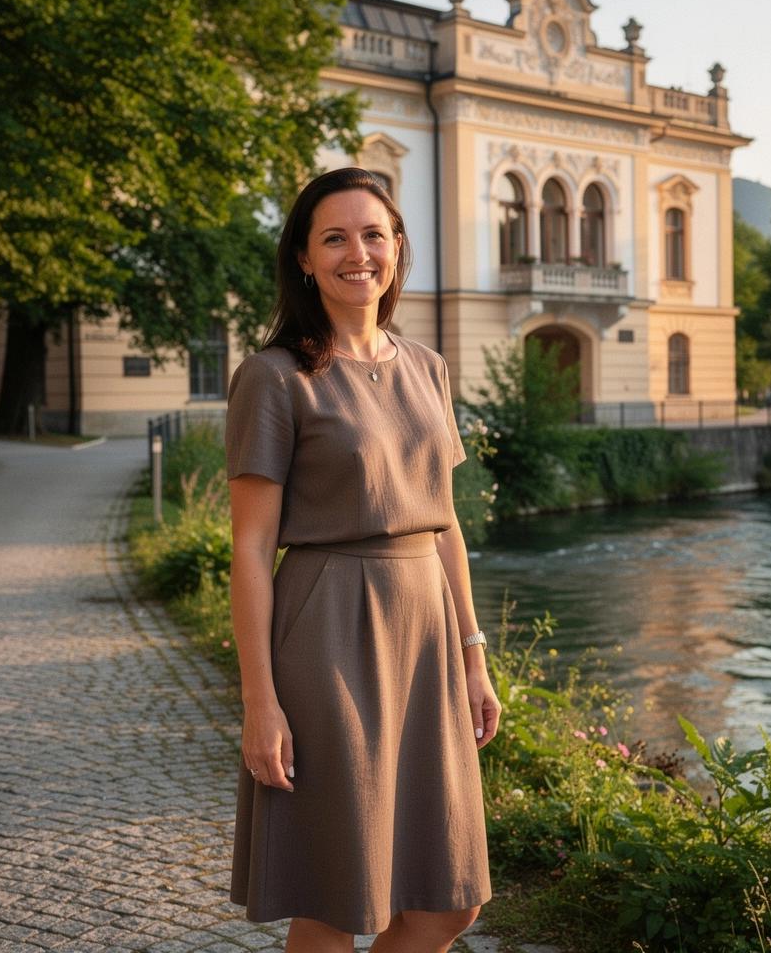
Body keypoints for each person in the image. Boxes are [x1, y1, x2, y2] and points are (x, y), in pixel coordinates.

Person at [224, 166, 501, 953]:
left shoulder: (428, 368)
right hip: (327, 637)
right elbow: (248, 546)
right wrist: (260, 701)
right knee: (338, 896)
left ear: (397, 246)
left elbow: (444, 523)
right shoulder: (275, 378)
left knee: (450, 900)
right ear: (305, 259)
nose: (359, 253)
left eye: (373, 234)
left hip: (427, 642)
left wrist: (474, 655)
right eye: (335, 238)